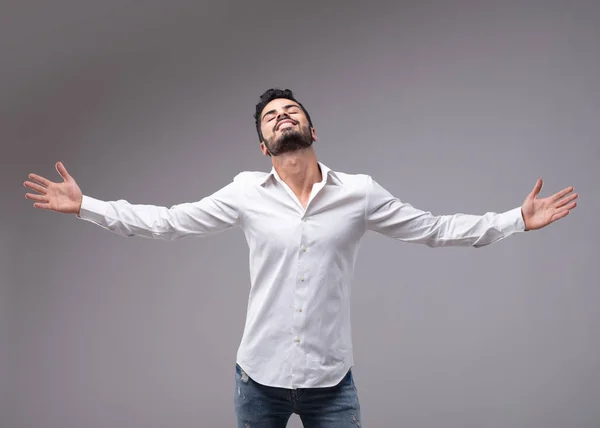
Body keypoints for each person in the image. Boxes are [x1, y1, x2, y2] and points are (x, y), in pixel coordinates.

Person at [23, 88, 578, 428]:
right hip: (256, 379)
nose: (283, 116)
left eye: (292, 111)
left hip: (332, 385)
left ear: (313, 129)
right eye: (271, 116)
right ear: (263, 146)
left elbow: (432, 229)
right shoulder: (245, 191)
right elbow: (168, 222)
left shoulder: (359, 192)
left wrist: (515, 220)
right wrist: (86, 207)